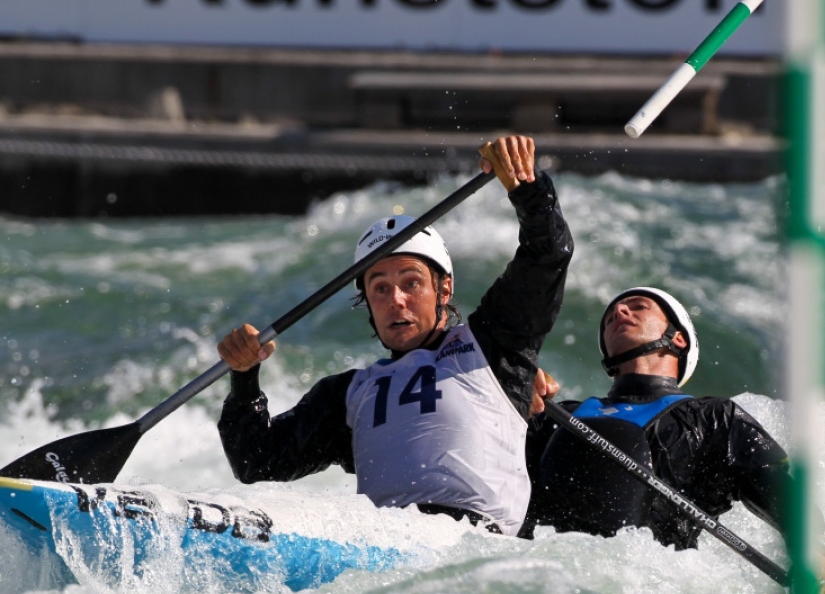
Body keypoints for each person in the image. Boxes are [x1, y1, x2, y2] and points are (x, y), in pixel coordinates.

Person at [216, 134, 574, 536]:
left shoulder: (495, 345)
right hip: (388, 551)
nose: (396, 301)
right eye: (380, 288)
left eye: (411, 283)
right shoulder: (347, 395)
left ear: (444, 289)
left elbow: (547, 254)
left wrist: (527, 187)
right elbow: (256, 462)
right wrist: (244, 380)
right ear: (366, 302)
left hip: (479, 546)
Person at [521, 286, 797, 551]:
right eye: (608, 319)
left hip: (644, 582)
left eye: (638, 307)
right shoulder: (555, 415)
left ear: (678, 337)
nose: (619, 312)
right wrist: (516, 389)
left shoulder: (715, 418)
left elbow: (779, 488)